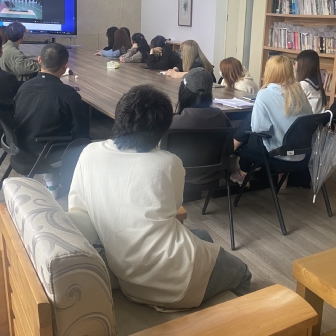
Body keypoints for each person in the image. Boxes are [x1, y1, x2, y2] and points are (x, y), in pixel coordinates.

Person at [68, 85, 251, 309]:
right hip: (173, 279)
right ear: (163, 128)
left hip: (125, 270)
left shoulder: (89, 152)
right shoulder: (168, 162)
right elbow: (174, 208)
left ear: (119, 116)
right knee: (243, 272)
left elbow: (77, 209)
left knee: (203, 236)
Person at [14, 43, 90, 198]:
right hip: (50, 153)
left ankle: (51, 182)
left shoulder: (23, 87)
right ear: (65, 66)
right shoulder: (68, 95)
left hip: (21, 147)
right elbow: (81, 132)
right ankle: (77, 187)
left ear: (39, 60)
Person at [231, 55, 312, 184]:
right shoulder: (300, 92)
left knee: (250, 134)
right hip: (302, 155)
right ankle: (240, 163)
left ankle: (239, 167)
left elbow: (258, 129)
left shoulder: (265, 94)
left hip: (278, 155)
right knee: (250, 122)